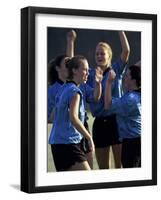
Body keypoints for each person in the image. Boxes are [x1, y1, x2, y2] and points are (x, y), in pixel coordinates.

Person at [87, 31, 130, 169]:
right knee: (104, 169)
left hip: (116, 121)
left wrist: (120, 29)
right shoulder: (90, 75)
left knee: (119, 167)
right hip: (99, 124)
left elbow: (126, 50)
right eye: (97, 54)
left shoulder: (116, 68)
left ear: (109, 56)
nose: (99, 56)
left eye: (102, 53)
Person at [49, 55, 95, 171]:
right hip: (67, 144)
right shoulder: (74, 91)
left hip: (57, 144)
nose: (87, 73)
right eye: (85, 69)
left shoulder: (63, 88)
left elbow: (53, 116)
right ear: (74, 70)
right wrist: (89, 137)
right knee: (87, 181)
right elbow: (73, 118)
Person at [104, 66, 141, 168]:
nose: (125, 78)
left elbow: (108, 104)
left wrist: (109, 82)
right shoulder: (138, 95)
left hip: (132, 144)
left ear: (133, 80)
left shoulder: (130, 100)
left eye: (127, 76)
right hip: (137, 140)